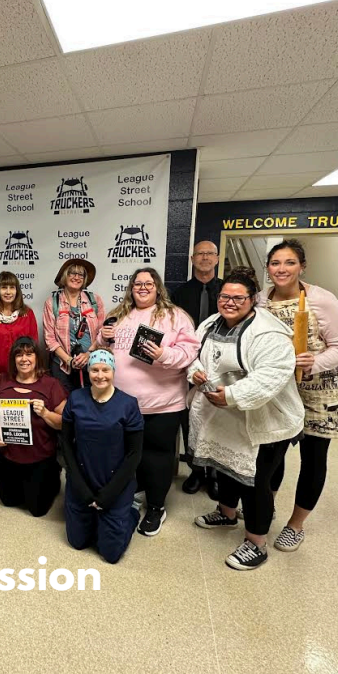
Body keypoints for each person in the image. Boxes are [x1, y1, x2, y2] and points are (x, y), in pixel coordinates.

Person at [189, 267, 304, 571]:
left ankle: (257, 543)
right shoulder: (210, 324)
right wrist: (195, 373)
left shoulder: (269, 332)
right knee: (225, 468)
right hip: (225, 417)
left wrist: (231, 395)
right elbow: (193, 355)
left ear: (253, 300)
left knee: (255, 481)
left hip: (265, 421)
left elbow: (272, 377)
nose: (230, 302)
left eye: (238, 298)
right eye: (225, 296)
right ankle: (226, 514)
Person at [260, 238, 338, 553]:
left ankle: (296, 525)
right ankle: (266, 506)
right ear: (268, 268)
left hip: (320, 393)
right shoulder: (262, 300)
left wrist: (315, 361)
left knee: (313, 459)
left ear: (302, 266)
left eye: (289, 263)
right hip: (279, 390)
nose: (282, 269)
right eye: (275, 263)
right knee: (271, 455)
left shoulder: (320, 300)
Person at [98, 267, 200, 537]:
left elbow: (189, 352)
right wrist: (102, 338)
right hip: (122, 402)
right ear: (131, 287)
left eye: (149, 283)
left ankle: (156, 507)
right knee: (129, 454)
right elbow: (106, 347)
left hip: (162, 403)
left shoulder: (175, 316)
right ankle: (136, 494)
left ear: (158, 287)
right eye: (138, 283)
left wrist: (163, 353)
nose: (143, 287)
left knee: (157, 457)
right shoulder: (119, 314)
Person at [61, 350, 143, 564]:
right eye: (95, 370)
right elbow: (66, 445)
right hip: (82, 481)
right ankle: (95, 516)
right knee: (78, 542)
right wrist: (83, 490)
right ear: (88, 371)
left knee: (110, 554)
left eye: (105, 370)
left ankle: (130, 513)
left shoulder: (128, 404)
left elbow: (134, 454)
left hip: (115, 484)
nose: (100, 375)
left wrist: (107, 496)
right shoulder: (76, 399)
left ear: (113, 371)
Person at [0, 337, 67, 517]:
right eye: (19, 355)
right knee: (9, 501)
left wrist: (46, 413)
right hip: (9, 455)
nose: (24, 359)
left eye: (29, 354)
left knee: (37, 511)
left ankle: (53, 473)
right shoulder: (3, 380)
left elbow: (64, 422)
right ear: (13, 359)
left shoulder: (50, 384)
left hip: (39, 458)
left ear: (37, 358)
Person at [172, 241, 223, 499]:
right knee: (189, 419)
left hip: (221, 366)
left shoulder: (228, 291)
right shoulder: (179, 293)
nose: (204, 258)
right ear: (192, 259)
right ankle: (196, 470)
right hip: (188, 364)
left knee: (216, 419)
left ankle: (214, 473)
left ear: (217, 258)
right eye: (200, 254)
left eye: (209, 254)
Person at [0, 272, 39, 478]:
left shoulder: (26, 314)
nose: (8, 291)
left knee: (22, 420)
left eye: (12, 287)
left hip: (23, 380)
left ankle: (21, 461)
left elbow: (33, 345)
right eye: (4, 287)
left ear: (17, 290)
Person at [43, 258, 107, 394]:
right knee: (64, 405)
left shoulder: (94, 300)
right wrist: (69, 360)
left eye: (81, 275)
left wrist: (88, 354)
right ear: (65, 275)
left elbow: (103, 333)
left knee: (91, 403)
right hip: (62, 366)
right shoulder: (52, 303)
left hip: (92, 363)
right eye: (72, 273)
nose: (76, 277)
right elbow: (49, 339)